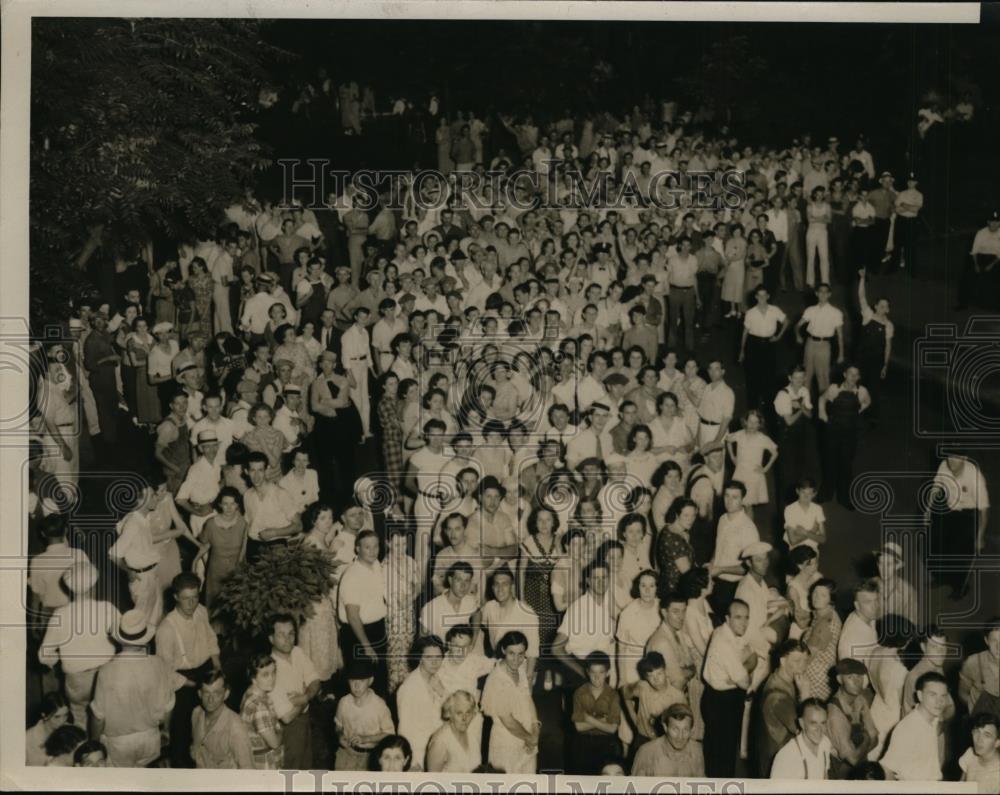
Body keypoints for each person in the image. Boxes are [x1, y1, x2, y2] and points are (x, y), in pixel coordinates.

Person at [91, 609, 182, 768]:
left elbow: (98, 716)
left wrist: (93, 742)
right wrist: (165, 731)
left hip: (118, 743)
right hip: (150, 738)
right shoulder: (158, 664)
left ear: (120, 640)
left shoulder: (107, 671)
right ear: (145, 639)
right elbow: (169, 706)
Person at [38, 561, 120, 729]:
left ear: (70, 589)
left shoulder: (60, 614)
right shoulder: (107, 608)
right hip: (107, 674)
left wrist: (58, 659)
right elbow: (125, 636)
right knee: (107, 717)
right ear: (94, 586)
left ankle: (82, 748)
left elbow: (43, 655)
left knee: (79, 718)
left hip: (76, 680)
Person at [155, 572, 221, 768]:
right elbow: (165, 672)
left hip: (206, 670)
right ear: (175, 597)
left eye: (195, 597)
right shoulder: (166, 630)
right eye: (186, 599)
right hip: (182, 681)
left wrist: (217, 666)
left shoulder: (201, 611)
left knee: (210, 723)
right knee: (182, 730)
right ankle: (182, 768)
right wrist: (194, 685)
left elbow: (211, 639)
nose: (191, 603)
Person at [702, 599, 757, 778]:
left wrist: (741, 670)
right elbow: (745, 683)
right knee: (720, 757)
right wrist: (744, 670)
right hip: (720, 703)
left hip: (724, 698)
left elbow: (753, 655)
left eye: (746, 617)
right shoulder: (723, 641)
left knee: (724, 753)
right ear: (727, 618)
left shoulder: (728, 633)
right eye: (738, 617)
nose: (744, 622)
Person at [928, 454, 990, 599]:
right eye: (950, 457)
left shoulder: (974, 476)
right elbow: (936, 486)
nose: (951, 462)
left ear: (964, 458)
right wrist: (928, 509)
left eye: (956, 458)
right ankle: (941, 577)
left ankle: (959, 586)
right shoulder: (944, 465)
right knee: (937, 546)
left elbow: (984, 510)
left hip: (967, 516)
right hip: (949, 510)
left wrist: (980, 536)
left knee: (958, 555)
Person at [481, 631, 540, 774]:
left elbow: (528, 699)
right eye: (511, 653)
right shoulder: (496, 680)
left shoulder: (521, 668)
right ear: (503, 650)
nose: (516, 659)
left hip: (527, 741)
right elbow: (507, 720)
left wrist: (535, 727)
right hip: (505, 744)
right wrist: (530, 738)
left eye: (521, 654)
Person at [268, 613, 321, 770]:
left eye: (291, 634)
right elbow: (287, 717)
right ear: (271, 638)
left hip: (304, 720)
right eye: (281, 635)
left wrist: (305, 697)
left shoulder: (298, 652)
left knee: (306, 766)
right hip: (286, 730)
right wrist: (308, 697)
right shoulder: (269, 668)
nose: (287, 639)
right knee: (291, 770)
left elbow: (315, 681)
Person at [338, 530, 388, 694]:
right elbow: (352, 616)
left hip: (376, 629)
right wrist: (366, 646)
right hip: (357, 634)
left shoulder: (375, 565)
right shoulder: (352, 576)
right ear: (357, 549)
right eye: (367, 547)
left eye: (375, 546)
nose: (372, 551)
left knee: (379, 679)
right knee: (360, 685)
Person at [880, 671, 950, 781]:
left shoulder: (932, 720)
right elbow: (887, 770)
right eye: (933, 695)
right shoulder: (908, 728)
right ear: (920, 695)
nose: (939, 701)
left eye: (943, 696)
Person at [818, 364, 871, 510]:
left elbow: (868, 402)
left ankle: (844, 497)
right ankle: (826, 493)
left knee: (846, 464)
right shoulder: (834, 389)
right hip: (833, 431)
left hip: (850, 433)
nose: (853, 377)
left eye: (856, 375)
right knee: (830, 461)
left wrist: (858, 411)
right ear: (844, 374)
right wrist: (823, 415)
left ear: (858, 377)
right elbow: (822, 400)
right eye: (850, 374)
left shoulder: (862, 391)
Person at [755, 639, 809, 777]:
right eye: (797, 661)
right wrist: (805, 695)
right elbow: (805, 731)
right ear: (783, 661)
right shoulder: (777, 696)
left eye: (805, 661)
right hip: (778, 761)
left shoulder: (782, 679)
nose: (802, 667)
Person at [396, 636, 447, 770]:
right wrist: (411, 762)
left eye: (438, 657)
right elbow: (404, 729)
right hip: (418, 754)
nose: (435, 662)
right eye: (429, 657)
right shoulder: (409, 688)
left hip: (436, 749)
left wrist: (442, 692)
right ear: (419, 658)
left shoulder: (436, 679)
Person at [334, 659, 394, 771]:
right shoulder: (344, 702)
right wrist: (340, 736)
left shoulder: (379, 706)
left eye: (361, 680)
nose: (356, 685)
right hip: (347, 753)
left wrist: (366, 738)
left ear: (370, 681)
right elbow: (338, 726)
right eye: (352, 680)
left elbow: (389, 735)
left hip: (371, 756)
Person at [190, 670, 254, 769]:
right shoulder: (196, 713)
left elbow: (248, 770)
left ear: (226, 694)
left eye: (216, 693)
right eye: (206, 693)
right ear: (199, 694)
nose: (210, 699)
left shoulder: (236, 728)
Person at [570, 651, 621, 775]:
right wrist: (603, 721)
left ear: (608, 673)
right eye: (593, 672)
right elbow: (578, 727)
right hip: (583, 743)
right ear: (587, 672)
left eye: (601, 672)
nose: (597, 677)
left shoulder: (613, 695)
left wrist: (588, 718)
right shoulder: (579, 693)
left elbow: (612, 729)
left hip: (607, 743)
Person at [826, 658, 878, 779]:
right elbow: (852, 759)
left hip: (860, 767)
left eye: (859, 677)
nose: (856, 682)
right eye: (850, 677)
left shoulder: (860, 699)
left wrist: (860, 750)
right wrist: (865, 738)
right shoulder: (835, 713)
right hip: (840, 774)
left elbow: (875, 738)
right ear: (839, 679)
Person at [739, 285, 789, 411]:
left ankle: (769, 406)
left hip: (769, 344)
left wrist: (778, 337)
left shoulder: (775, 310)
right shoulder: (750, 313)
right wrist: (742, 350)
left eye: (764, 295)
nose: (762, 298)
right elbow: (745, 332)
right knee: (752, 376)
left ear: (768, 296)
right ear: (756, 297)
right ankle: (753, 408)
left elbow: (786, 321)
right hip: (753, 344)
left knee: (770, 375)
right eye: (759, 295)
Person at [855, 270, 893, 421]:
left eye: (886, 306)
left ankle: (871, 418)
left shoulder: (889, 325)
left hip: (876, 361)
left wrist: (885, 365)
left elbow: (888, 346)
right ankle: (854, 413)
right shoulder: (868, 315)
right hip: (861, 358)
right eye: (881, 305)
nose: (884, 308)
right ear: (875, 306)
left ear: (888, 309)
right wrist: (863, 278)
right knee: (857, 387)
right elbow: (861, 296)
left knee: (873, 390)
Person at [630, 702, 705, 777]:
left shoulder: (698, 751)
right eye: (675, 729)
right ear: (665, 727)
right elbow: (636, 787)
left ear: (691, 730)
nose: (680, 736)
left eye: (685, 730)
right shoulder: (646, 753)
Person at [795, 283, 844, 395]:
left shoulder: (835, 312)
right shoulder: (810, 310)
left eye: (826, 292)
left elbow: (840, 335)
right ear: (816, 294)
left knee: (823, 376)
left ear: (829, 294)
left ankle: (823, 406)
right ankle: (804, 405)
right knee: (806, 374)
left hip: (824, 345)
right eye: (820, 291)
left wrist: (841, 354)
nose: (823, 294)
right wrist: (797, 334)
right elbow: (797, 325)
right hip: (810, 343)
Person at [240, 652, 285, 770]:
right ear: (253, 678)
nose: (272, 678)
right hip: (265, 764)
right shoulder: (259, 707)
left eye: (274, 672)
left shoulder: (250, 693)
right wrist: (281, 731)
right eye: (265, 674)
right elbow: (274, 743)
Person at [769, 699, 833, 780]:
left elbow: (825, 776)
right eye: (813, 723)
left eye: (823, 723)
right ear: (801, 723)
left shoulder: (825, 743)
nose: (819, 730)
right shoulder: (786, 757)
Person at [802, 578, 841, 701]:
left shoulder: (826, 623)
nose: (816, 597)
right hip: (821, 675)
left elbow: (808, 656)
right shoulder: (824, 613)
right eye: (815, 592)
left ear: (831, 600)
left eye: (823, 595)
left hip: (815, 679)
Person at [425, 690, 482, 773]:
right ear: (449, 713)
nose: (464, 718)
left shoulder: (472, 734)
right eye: (459, 713)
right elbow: (432, 780)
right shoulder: (440, 741)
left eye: (468, 713)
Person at [959, 619, 1000, 719]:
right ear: (986, 641)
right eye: (994, 641)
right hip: (981, 725)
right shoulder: (973, 662)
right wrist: (974, 712)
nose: (999, 646)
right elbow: (962, 693)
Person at [837, 578, 880, 671]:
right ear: (856, 605)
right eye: (868, 602)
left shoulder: (868, 616)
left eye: (876, 600)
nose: (875, 606)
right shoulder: (851, 640)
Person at [25, 693, 70, 766]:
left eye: (65, 715)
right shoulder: (28, 739)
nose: (62, 721)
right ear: (44, 715)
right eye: (57, 717)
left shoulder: (71, 731)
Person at [959, 713, 1000, 793]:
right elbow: (960, 787)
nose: (979, 740)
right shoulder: (970, 754)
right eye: (977, 732)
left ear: (997, 743)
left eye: (987, 735)